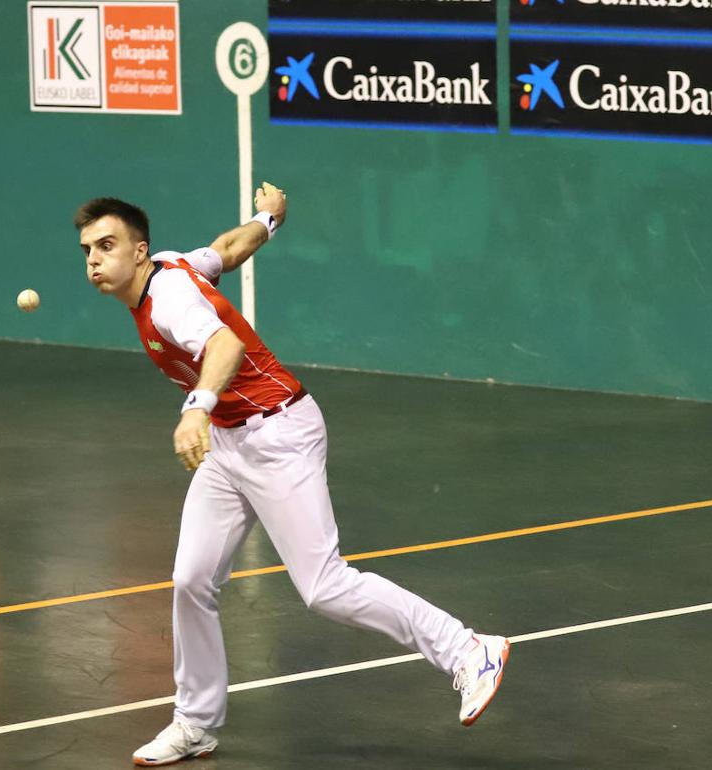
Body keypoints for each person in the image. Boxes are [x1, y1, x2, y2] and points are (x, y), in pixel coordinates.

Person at [74, 185, 510, 767]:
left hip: (278, 432)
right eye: (87, 250)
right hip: (229, 443)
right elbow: (225, 250)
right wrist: (268, 219)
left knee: (325, 586)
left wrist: (197, 405)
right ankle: (196, 722)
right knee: (191, 579)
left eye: (108, 245)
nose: (95, 259)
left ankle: (468, 649)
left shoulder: (170, 300)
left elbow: (224, 344)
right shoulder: (175, 265)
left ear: (140, 251)